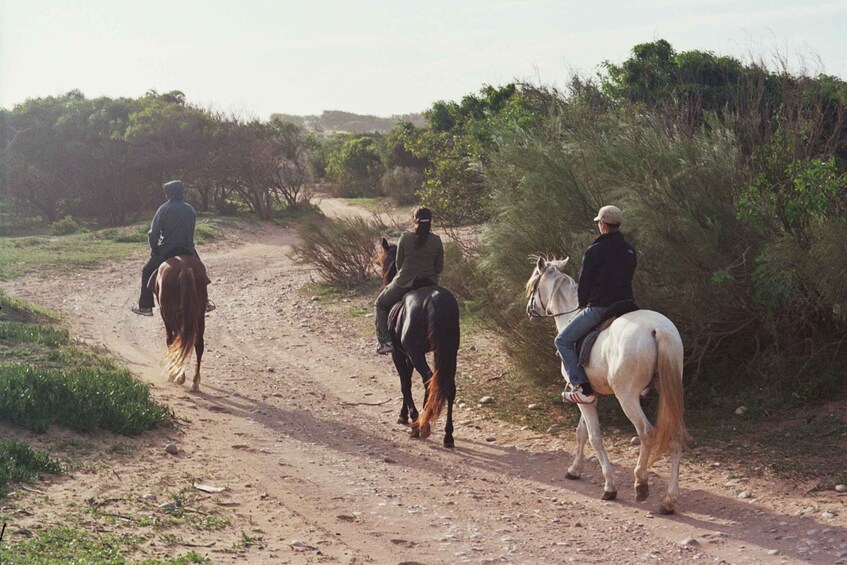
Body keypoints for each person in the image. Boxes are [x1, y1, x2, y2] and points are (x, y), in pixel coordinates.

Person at [554, 205, 637, 404]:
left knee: (562, 341)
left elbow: (584, 283)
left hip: (601, 307)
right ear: (618, 225)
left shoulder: (594, 251)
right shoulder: (630, 250)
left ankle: (582, 388)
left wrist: (583, 304)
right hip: (628, 305)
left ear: (602, 225)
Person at [131, 180, 215, 316]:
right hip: (188, 249)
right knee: (201, 273)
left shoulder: (164, 209)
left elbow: (153, 234)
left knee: (147, 271)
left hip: (168, 249)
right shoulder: (190, 209)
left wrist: (154, 249)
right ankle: (205, 302)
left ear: (169, 193)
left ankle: (145, 306)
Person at [374, 206, 444, 354]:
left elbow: (399, 265)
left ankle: (385, 341)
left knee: (380, 304)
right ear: (431, 221)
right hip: (429, 283)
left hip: (405, 282)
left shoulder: (405, 238)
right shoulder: (436, 240)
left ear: (414, 220)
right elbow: (439, 268)